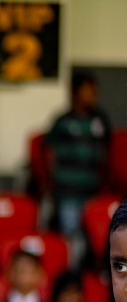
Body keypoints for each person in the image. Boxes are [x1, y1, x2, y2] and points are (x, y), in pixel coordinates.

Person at [45, 72, 111, 251]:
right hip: (68, 193)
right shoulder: (62, 121)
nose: (92, 95)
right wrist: (52, 186)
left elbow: (107, 153)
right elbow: (50, 155)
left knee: (97, 238)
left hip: (93, 193)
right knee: (71, 238)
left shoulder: (100, 119)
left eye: (94, 91)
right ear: (76, 92)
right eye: (88, 91)